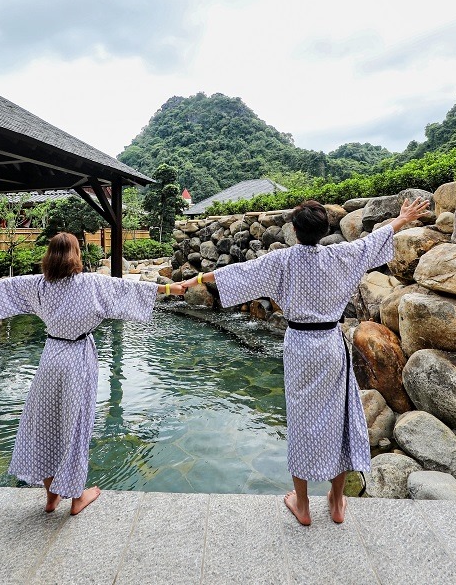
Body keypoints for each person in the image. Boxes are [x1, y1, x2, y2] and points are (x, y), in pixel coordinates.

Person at [180, 196, 430, 525]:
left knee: (301, 423)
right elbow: (373, 241)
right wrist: (402, 218)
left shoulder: (282, 261)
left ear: (295, 232)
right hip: (330, 345)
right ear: (324, 229)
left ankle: (302, 505)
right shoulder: (342, 254)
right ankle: (337, 502)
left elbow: (236, 273)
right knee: (337, 419)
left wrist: (192, 281)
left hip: (299, 346)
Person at [0, 232, 185, 515]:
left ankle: (51, 496)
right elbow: (130, 289)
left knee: (45, 425)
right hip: (78, 360)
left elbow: (7, 286)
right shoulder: (92, 284)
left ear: (49, 256)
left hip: (51, 358)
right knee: (75, 427)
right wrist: (172, 289)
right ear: (76, 254)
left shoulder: (38, 285)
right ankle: (76, 497)